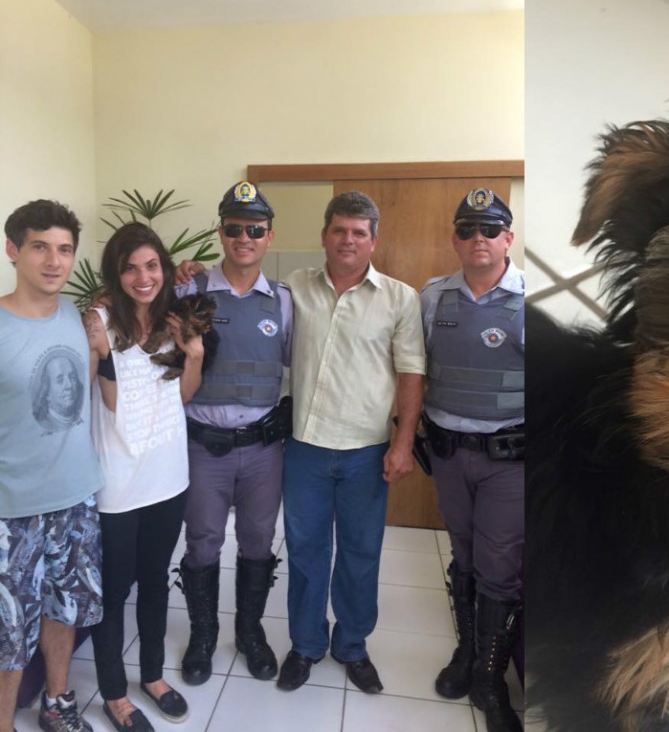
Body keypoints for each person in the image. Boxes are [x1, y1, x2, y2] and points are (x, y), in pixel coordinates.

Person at [275, 191, 425, 695]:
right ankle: (306, 645)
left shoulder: (400, 298)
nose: (348, 240)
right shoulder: (294, 288)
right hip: (305, 448)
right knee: (305, 551)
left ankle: (353, 646)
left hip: (366, 450)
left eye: (359, 232)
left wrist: (403, 442)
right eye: (339, 230)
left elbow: (410, 374)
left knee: (361, 553)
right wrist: (187, 273)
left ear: (373, 240)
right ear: (324, 236)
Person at [83, 223, 204, 732]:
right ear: (117, 271)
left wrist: (193, 355)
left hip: (168, 474)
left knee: (155, 580)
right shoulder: (98, 320)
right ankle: (114, 692)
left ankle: (152, 676)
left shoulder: (174, 320)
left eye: (151, 265)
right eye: (131, 266)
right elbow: (102, 400)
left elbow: (182, 396)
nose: (143, 276)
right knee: (114, 589)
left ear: (164, 269)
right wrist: (101, 350)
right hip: (117, 479)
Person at [174, 181, 292, 686]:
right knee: (201, 542)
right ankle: (203, 635)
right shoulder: (187, 292)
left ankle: (249, 632)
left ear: (269, 236)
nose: (244, 237)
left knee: (259, 541)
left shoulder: (283, 302)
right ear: (220, 232)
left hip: (263, 448)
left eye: (255, 230)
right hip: (204, 446)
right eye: (234, 228)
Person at [420, 189, 525, 732]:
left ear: (508, 238)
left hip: (509, 461)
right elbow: (415, 369)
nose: (477, 239)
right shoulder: (434, 297)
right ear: (455, 239)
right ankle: (468, 654)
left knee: (500, 567)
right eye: (467, 230)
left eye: (490, 229)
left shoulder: (532, 298)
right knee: (463, 555)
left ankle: (490, 678)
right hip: (448, 453)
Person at [1, 199, 104, 732]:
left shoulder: (75, 315)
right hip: (11, 510)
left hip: (77, 497)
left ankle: (59, 702)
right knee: (8, 630)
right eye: (40, 246)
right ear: (13, 250)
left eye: (65, 250)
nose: (54, 261)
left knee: (65, 610)